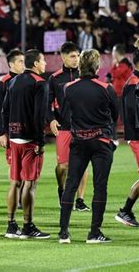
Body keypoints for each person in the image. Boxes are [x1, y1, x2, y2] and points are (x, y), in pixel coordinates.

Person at [59, 49, 118, 244]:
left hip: (78, 142)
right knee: (100, 186)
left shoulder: (68, 87)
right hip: (101, 142)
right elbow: (115, 115)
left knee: (71, 184)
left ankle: (64, 233)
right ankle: (94, 232)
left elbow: (65, 114)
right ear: (97, 66)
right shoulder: (106, 88)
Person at [1, 49, 50, 239]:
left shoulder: (13, 81)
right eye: (43, 61)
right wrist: (40, 140)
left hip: (14, 138)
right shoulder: (40, 83)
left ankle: (11, 226)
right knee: (30, 183)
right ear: (36, 64)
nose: (45, 64)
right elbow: (39, 115)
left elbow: (5, 110)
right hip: (30, 140)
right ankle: (28, 226)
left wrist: (9, 132)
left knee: (14, 182)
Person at [47, 42, 90, 211]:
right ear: (63, 57)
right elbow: (47, 102)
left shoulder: (85, 75)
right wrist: (50, 119)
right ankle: (62, 190)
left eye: (78, 56)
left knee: (83, 164)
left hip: (83, 127)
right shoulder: (55, 78)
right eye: (72, 56)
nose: (76, 59)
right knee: (63, 166)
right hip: (64, 128)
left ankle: (80, 200)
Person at [0, 49, 25, 225]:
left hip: (26, 133)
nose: (23, 64)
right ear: (11, 64)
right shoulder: (3, 84)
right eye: (19, 61)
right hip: (11, 133)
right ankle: (17, 198)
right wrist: (0, 133)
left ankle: (22, 198)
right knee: (14, 168)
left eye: (23, 61)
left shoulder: (26, 80)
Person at [115, 44, 139, 227]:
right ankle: (125, 211)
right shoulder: (132, 83)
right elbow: (133, 113)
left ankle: (126, 211)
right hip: (138, 137)